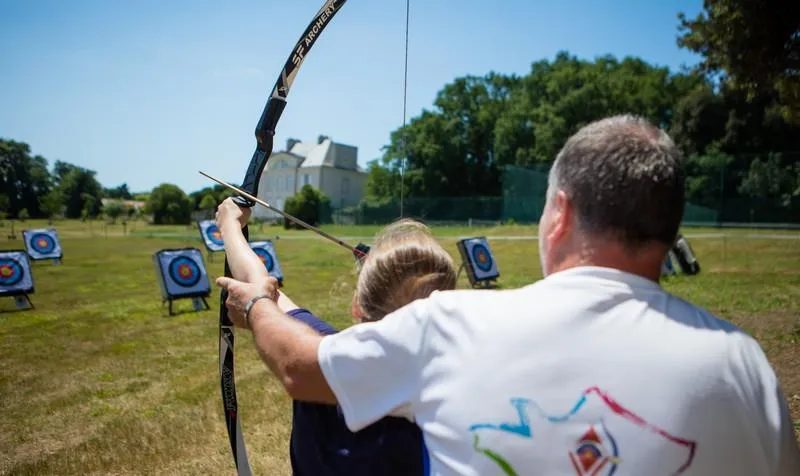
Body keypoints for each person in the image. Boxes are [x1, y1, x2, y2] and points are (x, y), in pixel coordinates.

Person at [217, 115, 800, 475]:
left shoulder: (453, 326)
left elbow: (299, 359)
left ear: (561, 212)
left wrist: (252, 292)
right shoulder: (746, 364)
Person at [215, 201, 457, 475]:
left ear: (357, 304)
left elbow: (258, 284)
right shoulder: (455, 388)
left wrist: (230, 225)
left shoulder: (322, 355)